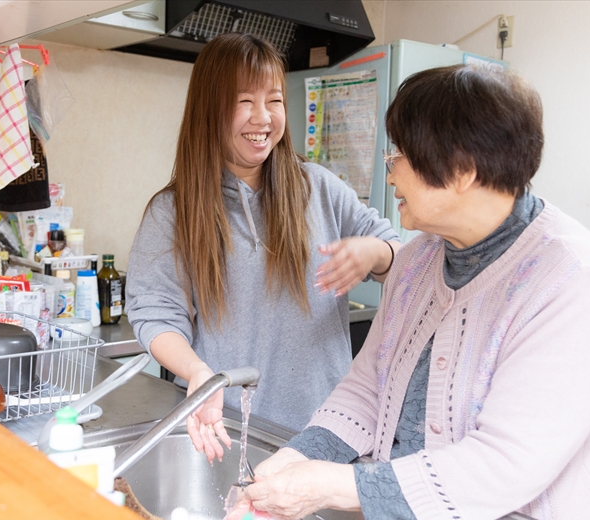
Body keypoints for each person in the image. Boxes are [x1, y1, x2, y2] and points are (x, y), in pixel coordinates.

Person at [244, 64, 590, 520]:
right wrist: (296, 457)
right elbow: (367, 389)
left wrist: (329, 486)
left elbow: (505, 464)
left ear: (462, 170)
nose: (390, 171)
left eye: (402, 155)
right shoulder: (415, 261)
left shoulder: (573, 279)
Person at [126, 33, 400, 463]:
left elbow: (403, 257)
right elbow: (155, 313)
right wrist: (197, 372)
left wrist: (376, 253)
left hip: (331, 434)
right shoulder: (172, 212)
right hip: (233, 431)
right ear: (209, 109)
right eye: (243, 101)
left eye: (274, 100)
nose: (263, 118)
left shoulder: (320, 187)